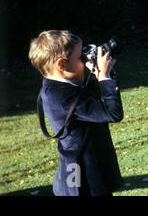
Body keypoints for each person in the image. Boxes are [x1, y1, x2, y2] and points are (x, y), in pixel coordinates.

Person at [28, 30, 123, 196]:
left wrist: (96, 73)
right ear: (62, 65)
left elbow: (90, 97)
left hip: (86, 169)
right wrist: (105, 77)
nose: (86, 57)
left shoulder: (57, 84)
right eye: (81, 56)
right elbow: (112, 113)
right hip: (83, 179)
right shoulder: (62, 97)